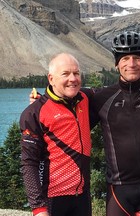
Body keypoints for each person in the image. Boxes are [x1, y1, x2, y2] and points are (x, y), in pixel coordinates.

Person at [79, 31, 140, 216]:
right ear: (117, 63)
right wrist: (40, 99)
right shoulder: (101, 97)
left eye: (137, 58)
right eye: (125, 58)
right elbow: (66, 93)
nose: (131, 64)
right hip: (118, 189)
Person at [20, 53, 92, 216]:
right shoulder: (34, 113)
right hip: (52, 199)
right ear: (51, 79)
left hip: (82, 197)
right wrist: (38, 208)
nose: (73, 79)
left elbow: (116, 92)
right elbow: (28, 163)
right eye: (65, 74)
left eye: (76, 73)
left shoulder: (85, 99)